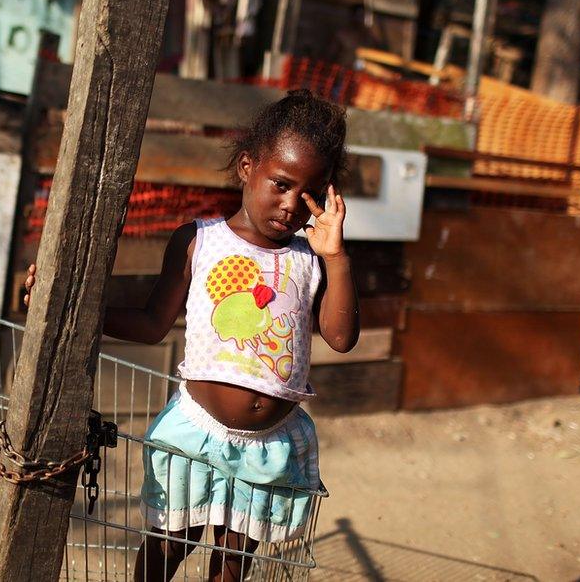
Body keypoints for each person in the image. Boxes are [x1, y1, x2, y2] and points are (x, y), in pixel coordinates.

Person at [23, 89, 358, 581]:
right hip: (197, 433)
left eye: (306, 194)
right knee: (164, 552)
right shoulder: (200, 240)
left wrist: (336, 256)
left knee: (231, 567)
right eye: (281, 184)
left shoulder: (311, 261)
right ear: (247, 167)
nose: (290, 206)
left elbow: (341, 336)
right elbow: (152, 323)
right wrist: (69, 311)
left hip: (269, 445)